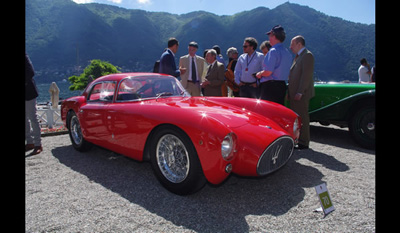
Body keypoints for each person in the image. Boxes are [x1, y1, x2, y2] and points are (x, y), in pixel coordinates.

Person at [288, 35, 315, 149]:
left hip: (300, 94)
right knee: (297, 118)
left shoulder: (307, 55)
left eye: (292, 44)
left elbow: (306, 76)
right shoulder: (299, 56)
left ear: (299, 44)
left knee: (302, 117)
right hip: (295, 93)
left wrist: (300, 92)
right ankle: (298, 139)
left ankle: (304, 141)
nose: (290, 47)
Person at [256, 25, 293, 105]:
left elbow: (268, 72)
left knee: (267, 110)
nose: (269, 38)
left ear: (274, 36)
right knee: (278, 110)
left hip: (270, 87)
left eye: (270, 35)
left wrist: (260, 74)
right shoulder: (287, 52)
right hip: (282, 85)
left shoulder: (273, 51)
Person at [25, 53, 43, 156]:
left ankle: (38, 144)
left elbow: (31, 72)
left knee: (33, 117)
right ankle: (29, 142)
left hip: (29, 91)